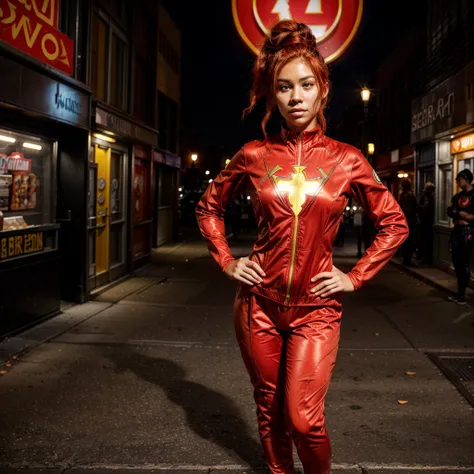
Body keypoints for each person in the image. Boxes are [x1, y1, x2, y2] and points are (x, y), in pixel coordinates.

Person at [195, 20, 408, 474]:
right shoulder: (253, 155)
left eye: (306, 85)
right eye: (285, 87)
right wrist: (228, 260)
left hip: (317, 308)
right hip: (258, 307)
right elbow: (208, 207)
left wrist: (355, 276)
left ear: (322, 89)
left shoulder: (347, 159)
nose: (295, 97)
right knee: (269, 410)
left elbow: (394, 222)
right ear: (273, 94)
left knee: (303, 418)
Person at [447, 169, 474, 305]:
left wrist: (464, 215)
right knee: (456, 261)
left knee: (463, 261)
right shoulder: (457, 197)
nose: (457, 181)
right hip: (457, 230)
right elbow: (450, 211)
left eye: (459, 179)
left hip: (468, 231)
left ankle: (462, 293)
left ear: (466, 179)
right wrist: (462, 214)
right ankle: (460, 292)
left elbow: (471, 216)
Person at [398, 179, 418, 265]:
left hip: (405, 221)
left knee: (406, 241)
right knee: (409, 241)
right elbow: (409, 208)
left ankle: (406, 259)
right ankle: (407, 259)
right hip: (409, 221)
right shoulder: (408, 195)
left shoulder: (404, 195)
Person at [418, 182, 435, 264]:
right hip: (426, 221)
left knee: (425, 241)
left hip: (425, 221)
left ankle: (425, 257)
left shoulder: (427, 196)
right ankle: (425, 258)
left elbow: (422, 207)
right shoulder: (427, 196)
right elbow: (423, 207)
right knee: (425, 241)